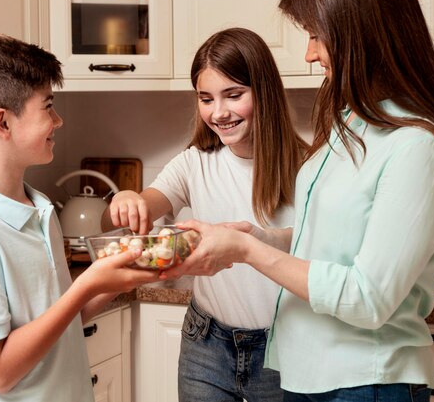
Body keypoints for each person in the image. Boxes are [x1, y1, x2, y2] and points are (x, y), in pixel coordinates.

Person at [161, 0, 434, 402]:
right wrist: (259, 237)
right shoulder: (351, 125)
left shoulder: (416, 147)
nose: (309, 53)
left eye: (315, 35)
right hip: (305, 374)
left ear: (360, 34)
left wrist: (249, 251)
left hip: (365, 382)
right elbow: (332, 242)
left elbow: (368, 298)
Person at [0, 32, 159, 402]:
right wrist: (88, 284)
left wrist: (125, 272)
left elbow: (59, 322)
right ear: (3, 123)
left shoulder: (37, 208)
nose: (58, 120)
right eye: (48, 106)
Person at [102, 27, 307, 401]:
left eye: (233, 95)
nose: (219, 112)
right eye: (206, 98)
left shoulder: (308, 167)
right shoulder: (194, 163)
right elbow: (140, 209)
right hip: (206, 346)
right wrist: (128, 200)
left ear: (265, 91)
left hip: (284, 349)